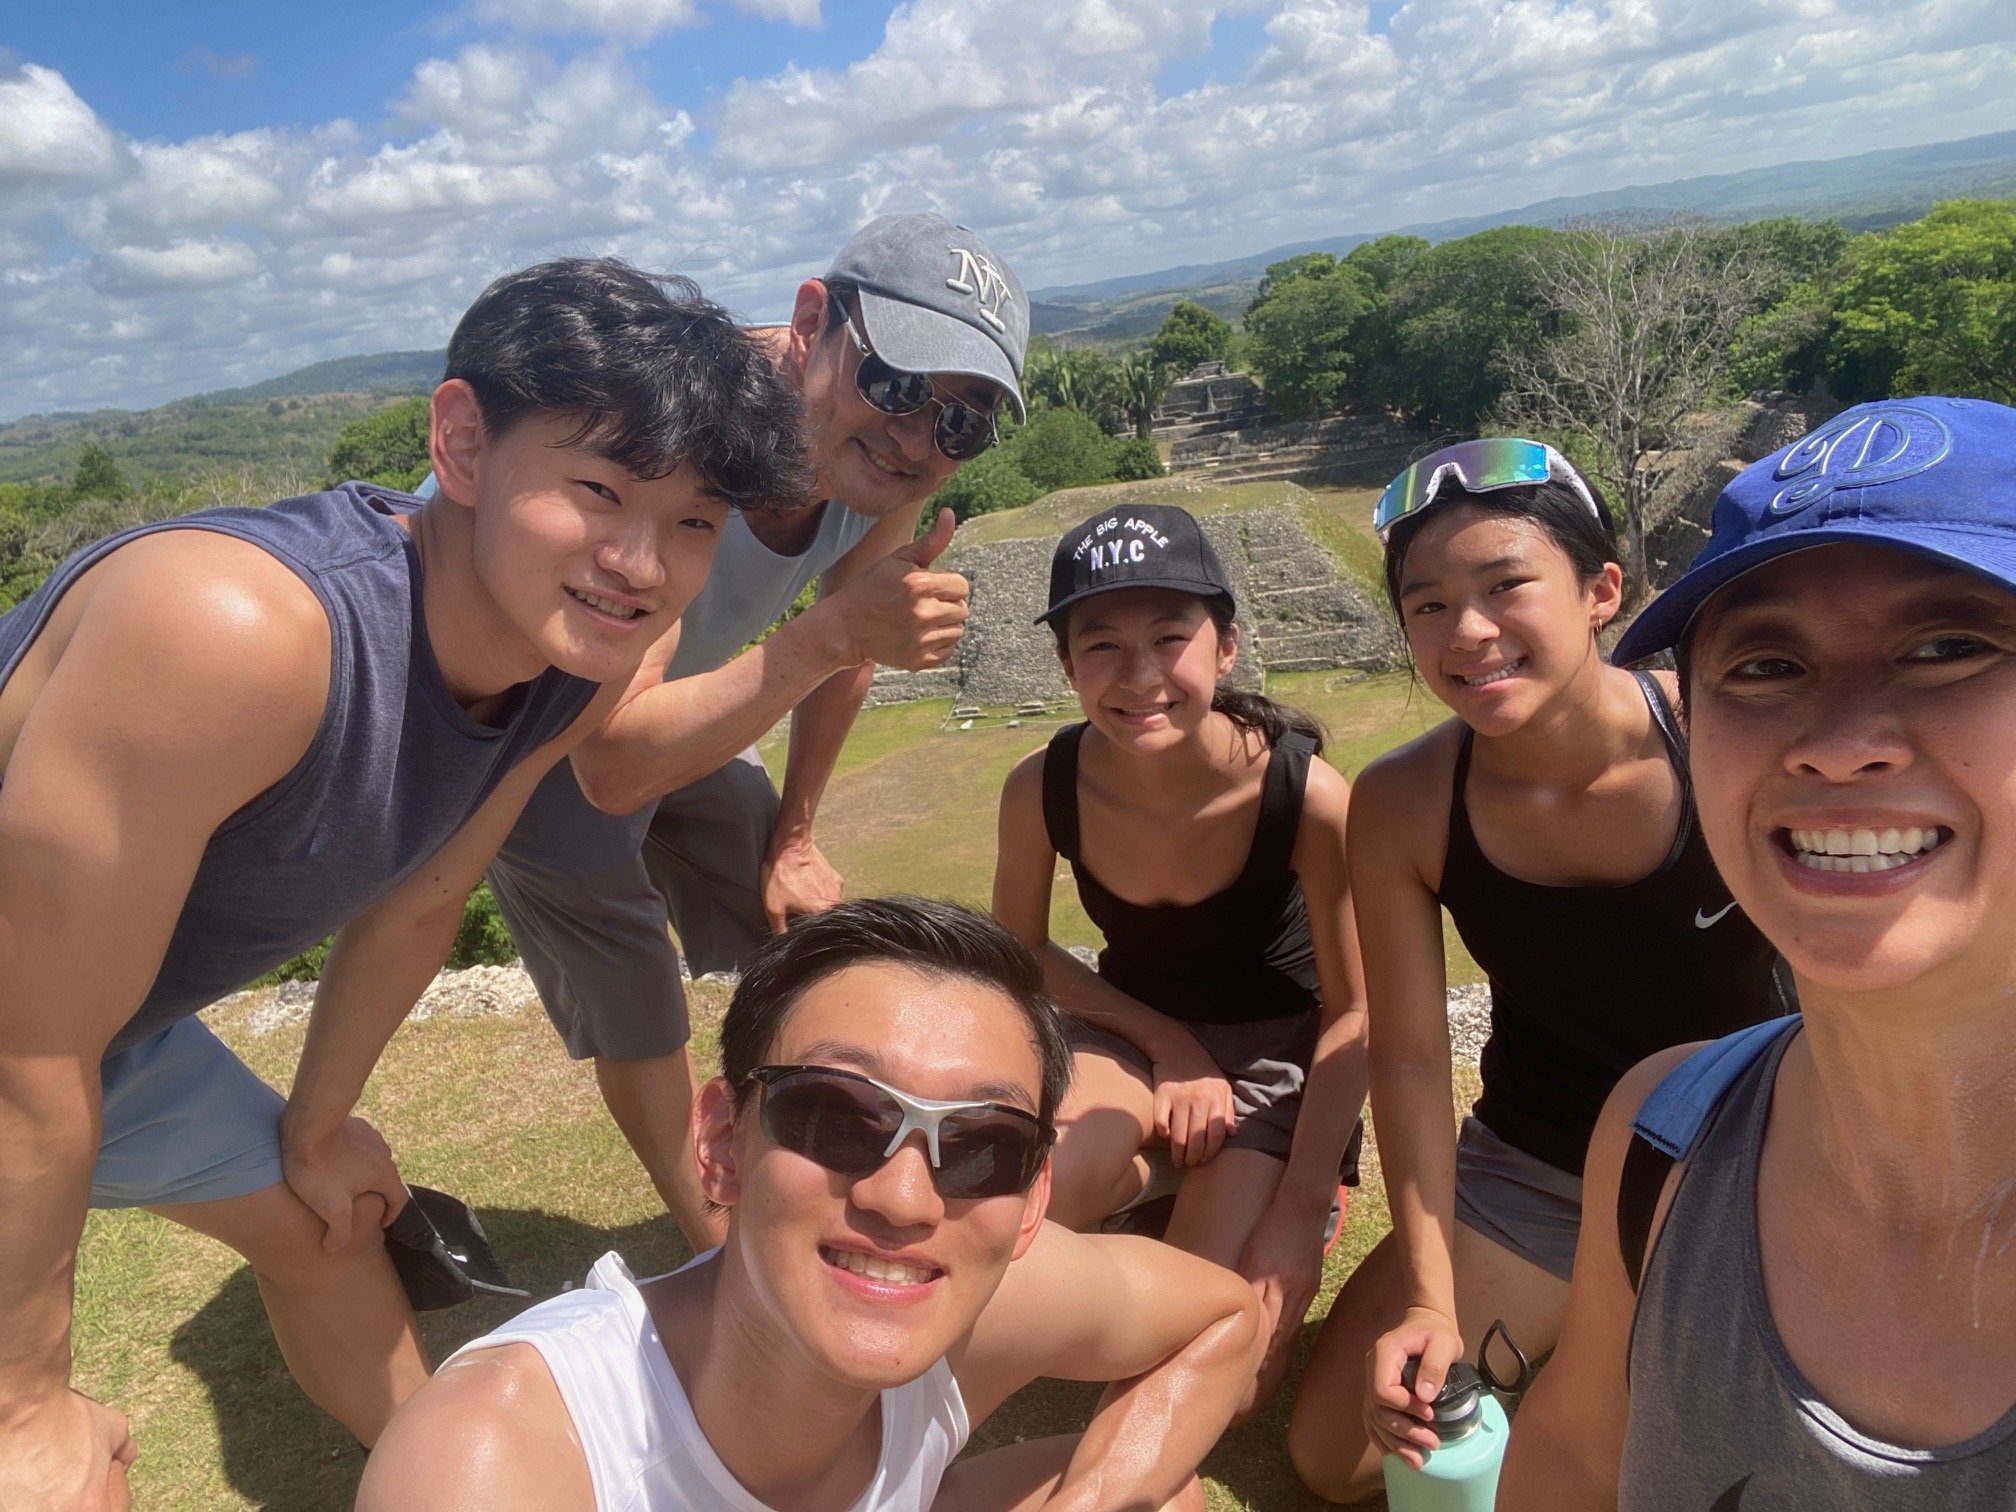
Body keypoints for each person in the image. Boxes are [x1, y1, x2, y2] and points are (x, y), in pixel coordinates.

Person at [0, 258, 808, 1509]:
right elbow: (30, 1053)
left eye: (695, 521)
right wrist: (25, 1406)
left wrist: (318, 1128)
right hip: (29, 1035)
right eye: (599, 490)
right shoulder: (236, 630)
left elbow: (427, 895)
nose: (641, 565)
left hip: (98, 1030)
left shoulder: (572, 659)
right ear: (463, 442)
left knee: (326, 1228)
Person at [458, 212, 1027, 1254]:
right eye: (898, 382)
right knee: (632, 980)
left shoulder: (871, 473)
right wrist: (833, 634)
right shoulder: (696, 427)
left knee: (791, 927)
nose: (916, 439)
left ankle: (808, 1155)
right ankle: (721, 1245)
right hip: (516, 716)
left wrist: (795, 834)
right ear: (813, 321)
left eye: (962, 423)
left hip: (655, 690)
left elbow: (852, 645)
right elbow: (614, 763)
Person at [1501, 397, 2016, 1509]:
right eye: (1766, 667)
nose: (1838, 745)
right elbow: (1574, 1457)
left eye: (1950, 648)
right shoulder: (1662, 1138)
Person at [358, 897, 1264, 1511]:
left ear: (1032, 1204)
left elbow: (1222, 1320)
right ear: (723, 1143)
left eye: (982, 1145)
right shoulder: (498, 1460)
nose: (904, 1200)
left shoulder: (973, 1303)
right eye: (835, 1115)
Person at [1286, 439, 1788, 1502]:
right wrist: (1428, 1298)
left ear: (1603, 591)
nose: (1468, 632)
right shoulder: (1405, 803)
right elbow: (1411, 1059)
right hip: (1543, 1159)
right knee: (1340, 1454)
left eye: (1506, 585)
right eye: (1428, 605)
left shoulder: (1722, 735)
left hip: (1761, 1145)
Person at [991, 502, 1369, 1412]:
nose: (1140, 676)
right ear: (1066, 665)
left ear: (1226, 646)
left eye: (1170, 638)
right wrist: (1171, 1047)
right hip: (1134, 1035)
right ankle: (1151, 1176)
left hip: (1277, 1058)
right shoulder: (1043, 786)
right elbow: (1019, 951)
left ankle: (1234, 1189)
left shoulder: (1307, 797)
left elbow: (1359, 1010)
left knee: (1206, 1380)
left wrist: (1297, 1205)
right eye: (1102, 646)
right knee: (1021, 1207)